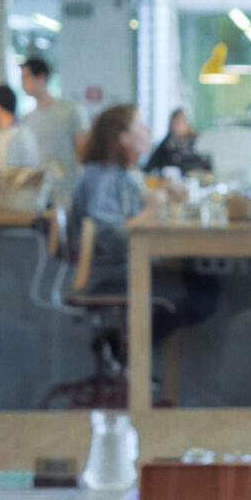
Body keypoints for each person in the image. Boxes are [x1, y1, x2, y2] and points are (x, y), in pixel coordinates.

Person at [70, 104, 217, 346]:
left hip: (122, 268)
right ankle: (124, 346)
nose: (148, 130)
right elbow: (108, 238)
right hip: (109, 275)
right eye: (140, 125)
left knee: (202, 286)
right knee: (203, 293)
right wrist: (150, 212)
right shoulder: (105, 176)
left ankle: (123, 346)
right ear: (123, 138)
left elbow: (130, 207)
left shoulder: (117, 172)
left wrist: (162, 193)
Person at [21, 58, 89, 203]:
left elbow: (83, 153)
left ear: (42, 78)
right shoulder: (27, 119)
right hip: (38, 194)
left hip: (68, 191)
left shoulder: (71, 111)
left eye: (26, 77)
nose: (23, 83)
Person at [144, 108, 210, 175]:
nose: (179, 125)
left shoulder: (198, 142)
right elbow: (150, 166)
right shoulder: (166, 144)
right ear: (171, 124)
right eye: (176, 122)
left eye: (182, 121)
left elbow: (206, 163)